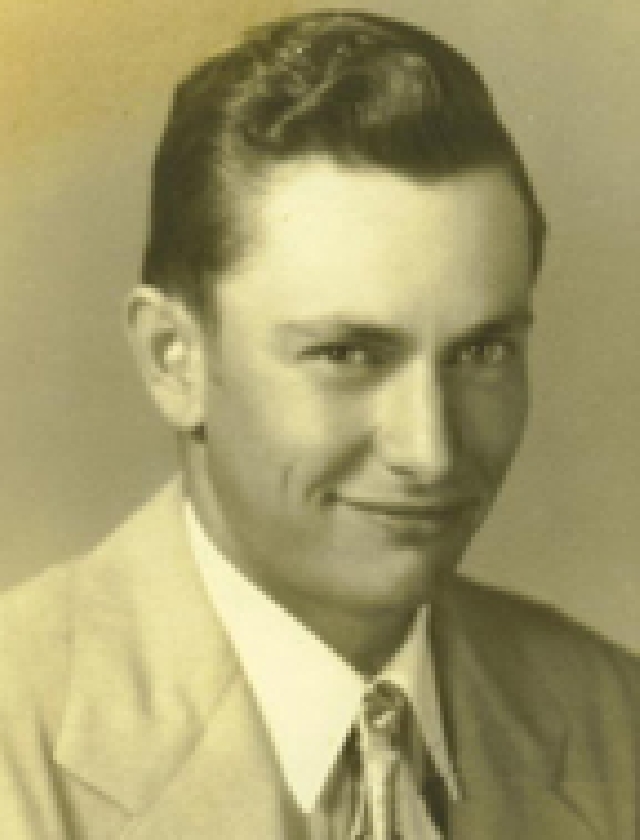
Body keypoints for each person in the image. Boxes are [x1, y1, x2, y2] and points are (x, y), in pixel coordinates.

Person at [1, 10, 637, 839]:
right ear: (173, 360)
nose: (430, 451)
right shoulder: (18, 737)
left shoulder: (613, 718)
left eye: (480, 352)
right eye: (348, 354)